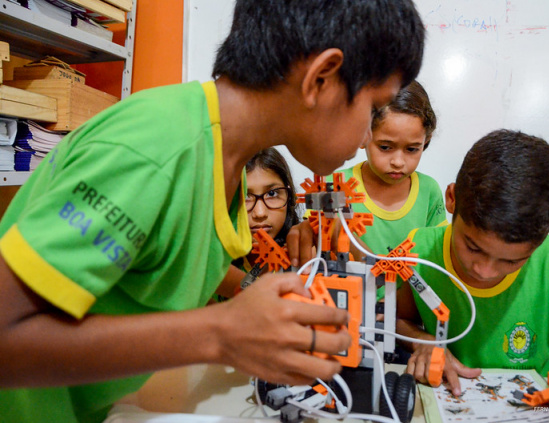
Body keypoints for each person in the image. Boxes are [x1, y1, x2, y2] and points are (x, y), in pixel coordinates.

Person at [0, 0, 426, 422]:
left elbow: (165, 260)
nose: (368, 135)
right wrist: (220, 334)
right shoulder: (156, 147)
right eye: (373, 109)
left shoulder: (226, 163)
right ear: (321, 79)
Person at [395, 129, 549, 406]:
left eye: (512, 261)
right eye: (473, 247)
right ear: (452, 198)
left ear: (541, 239)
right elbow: (398, 320)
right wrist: (423, 342)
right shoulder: (421, 253)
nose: (484, 270)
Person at [335, 80, 446, 258]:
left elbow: (435, 252)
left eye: (412, 149)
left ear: (426, 141)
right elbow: (315, 243)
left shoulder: (429, 191)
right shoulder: (336, 185)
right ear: (363, 135)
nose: (398, 162)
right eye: (385, 147)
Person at [215, 148, 300, 299]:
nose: (260, 213)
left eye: (272, 193)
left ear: (290, 197)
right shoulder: (209, 264)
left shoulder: (308, 256)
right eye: (245, 196)